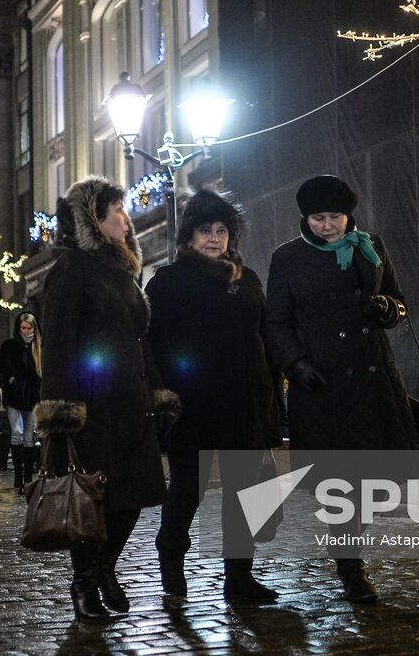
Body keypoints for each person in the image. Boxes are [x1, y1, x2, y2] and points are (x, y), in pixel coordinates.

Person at [265, 175, 419, 603]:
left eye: (336, 216)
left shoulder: (371, 246)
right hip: (323, 384)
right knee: (340, 483)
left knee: (375, 481)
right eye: (318, 218)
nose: (328, 225)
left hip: (373, 381)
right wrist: (296, 363)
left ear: (349, 215)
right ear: (305, 218)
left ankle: (350, 554)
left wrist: (388, 308)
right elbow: (276, 321)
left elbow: (398, 299)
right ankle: (351, 568)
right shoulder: (288, 258)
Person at [36, 176, 180, 624]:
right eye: (117, 210)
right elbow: (58, 345)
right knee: (92, 499)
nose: (126, 218)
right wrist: (63, 412)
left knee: (132, 497)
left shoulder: (123, 274)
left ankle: (105, 568)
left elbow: (140, 339)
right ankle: (84, 583)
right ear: (93, 220)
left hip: (132, 404)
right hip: (93, 408)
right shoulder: (71, 269)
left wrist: (159, 394)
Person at [147, 189, 282, 603]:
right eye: (205, 230)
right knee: (187, 489)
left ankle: (238, 577)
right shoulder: (167, 282)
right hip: (193, 405)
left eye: (222, 230)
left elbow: (265, 336)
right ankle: (171, 556)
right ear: (188, 236)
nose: (214, 238)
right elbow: (153, 345)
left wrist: (272, 394)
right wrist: (164, 397)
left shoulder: (246, 280)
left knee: (244, 494)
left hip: (244, 403)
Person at [0, 311, 42, 494]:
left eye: (29, 328)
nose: (26, 331)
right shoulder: (10, 346)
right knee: (17, 433)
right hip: (14, 396)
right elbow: (1, 368)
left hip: (31, 397)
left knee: (29, 437)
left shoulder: (39, 347)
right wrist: (10, 379)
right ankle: (18, 475)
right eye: (24, 328)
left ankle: (28, 477)